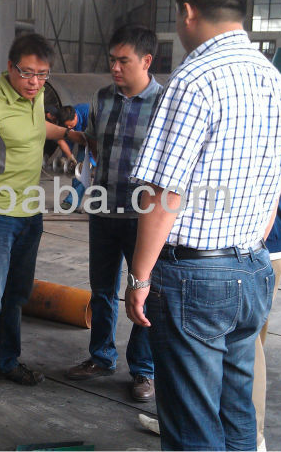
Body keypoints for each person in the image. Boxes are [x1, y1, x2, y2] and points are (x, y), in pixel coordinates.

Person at [124, 0, 281, 449]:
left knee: (192, 423)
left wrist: (139, 277)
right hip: (252, 268)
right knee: (235, 411)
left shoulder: (194, 80)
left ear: (187, 12)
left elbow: (164, 194)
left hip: (195, 279)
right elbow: (270, 196)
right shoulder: (278, 85)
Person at [0, 33, 84, 409]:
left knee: (15, 295)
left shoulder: (35, 97)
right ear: (10, 67)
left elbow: (37, 128)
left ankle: (4, 361)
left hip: (29, 212)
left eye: (42, 75)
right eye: (27, 73)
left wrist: (72, 134)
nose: (34, 82)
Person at [64, 24, 162, 403]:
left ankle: (143, 369)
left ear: (146, 61)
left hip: (144, 219)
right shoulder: (102, 98)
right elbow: (93, 144)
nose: (115, 68)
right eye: (112, 60)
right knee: (102, 289)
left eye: (124, 61)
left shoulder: (164, 104)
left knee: (144, 293)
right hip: (103, 211)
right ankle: (101, 357)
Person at [254, 167, 281, 451]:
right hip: (273, 242)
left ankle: (252, 438)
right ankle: (193, 418)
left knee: (245, 347)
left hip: (255, 246)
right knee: (248, 341)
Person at [56, 103, 91, 211]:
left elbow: (96, 141)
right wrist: (68, 157)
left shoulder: (91, 115)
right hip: (84, 140)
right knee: (78, 171)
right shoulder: (65, 119)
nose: (69, 128)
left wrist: (90, 160)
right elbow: (64, 139)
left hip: (101, 141)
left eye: (71, 125)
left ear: (76, 116)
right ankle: (72, 202)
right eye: (67, 126)